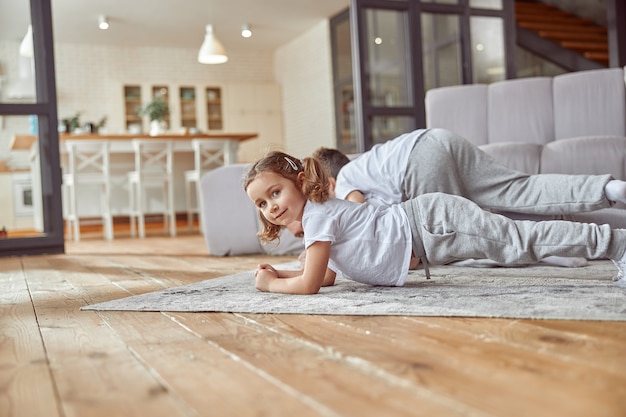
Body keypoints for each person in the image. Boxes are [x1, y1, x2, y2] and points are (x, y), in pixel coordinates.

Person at [244, 150, 626, 294]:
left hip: (430, 224)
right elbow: (326, 275)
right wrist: (278, 270)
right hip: (429, 231)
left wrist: (269, 286)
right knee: (517, 245)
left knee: (520, 242)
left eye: (274, 193)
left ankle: (615, 243)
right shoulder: (315, 221)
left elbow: (310, 284)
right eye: (261, 203)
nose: (270, 207)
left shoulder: (320, 215)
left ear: (298, 182)